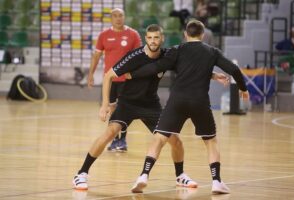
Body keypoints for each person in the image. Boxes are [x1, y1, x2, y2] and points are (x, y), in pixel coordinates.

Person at [73, 24, 228, 191]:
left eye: (156, 37)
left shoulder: (168, 55)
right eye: (149, 37)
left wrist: (212, 75)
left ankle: (180, 176)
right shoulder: (134, 56)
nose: (153, 41)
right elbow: (108, 76)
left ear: (162, 38)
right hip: (128, 103)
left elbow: (187, 69)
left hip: (151, 104)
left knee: (175, 141)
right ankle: (81, 174)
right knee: (110, 133)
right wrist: (105, 104)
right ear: (145, 39)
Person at [130, 20, 249, 194]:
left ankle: (143, 175)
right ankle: (216, 182)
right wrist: (243, 88)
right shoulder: (212, 52)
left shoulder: (177, 50)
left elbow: (156, 67)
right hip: (199, 101)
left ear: (186, 34)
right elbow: (234, 70)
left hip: (177, 100)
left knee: (159, 138)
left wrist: (131, 74)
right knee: (210, 141)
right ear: (202, 35)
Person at [87, 8, 142, 152]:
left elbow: (140, 57)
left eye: (121, 15)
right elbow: (96, 56)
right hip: (110, 81)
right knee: (111, 109)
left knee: (124, 109)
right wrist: (91, 74)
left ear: (125, 17)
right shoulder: (104, 35)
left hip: (127, 80)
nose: (118, 18)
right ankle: (113, 140)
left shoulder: (133, 34)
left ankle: (122, 140)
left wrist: (138, 76)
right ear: (111, 18)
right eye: (115, 16)